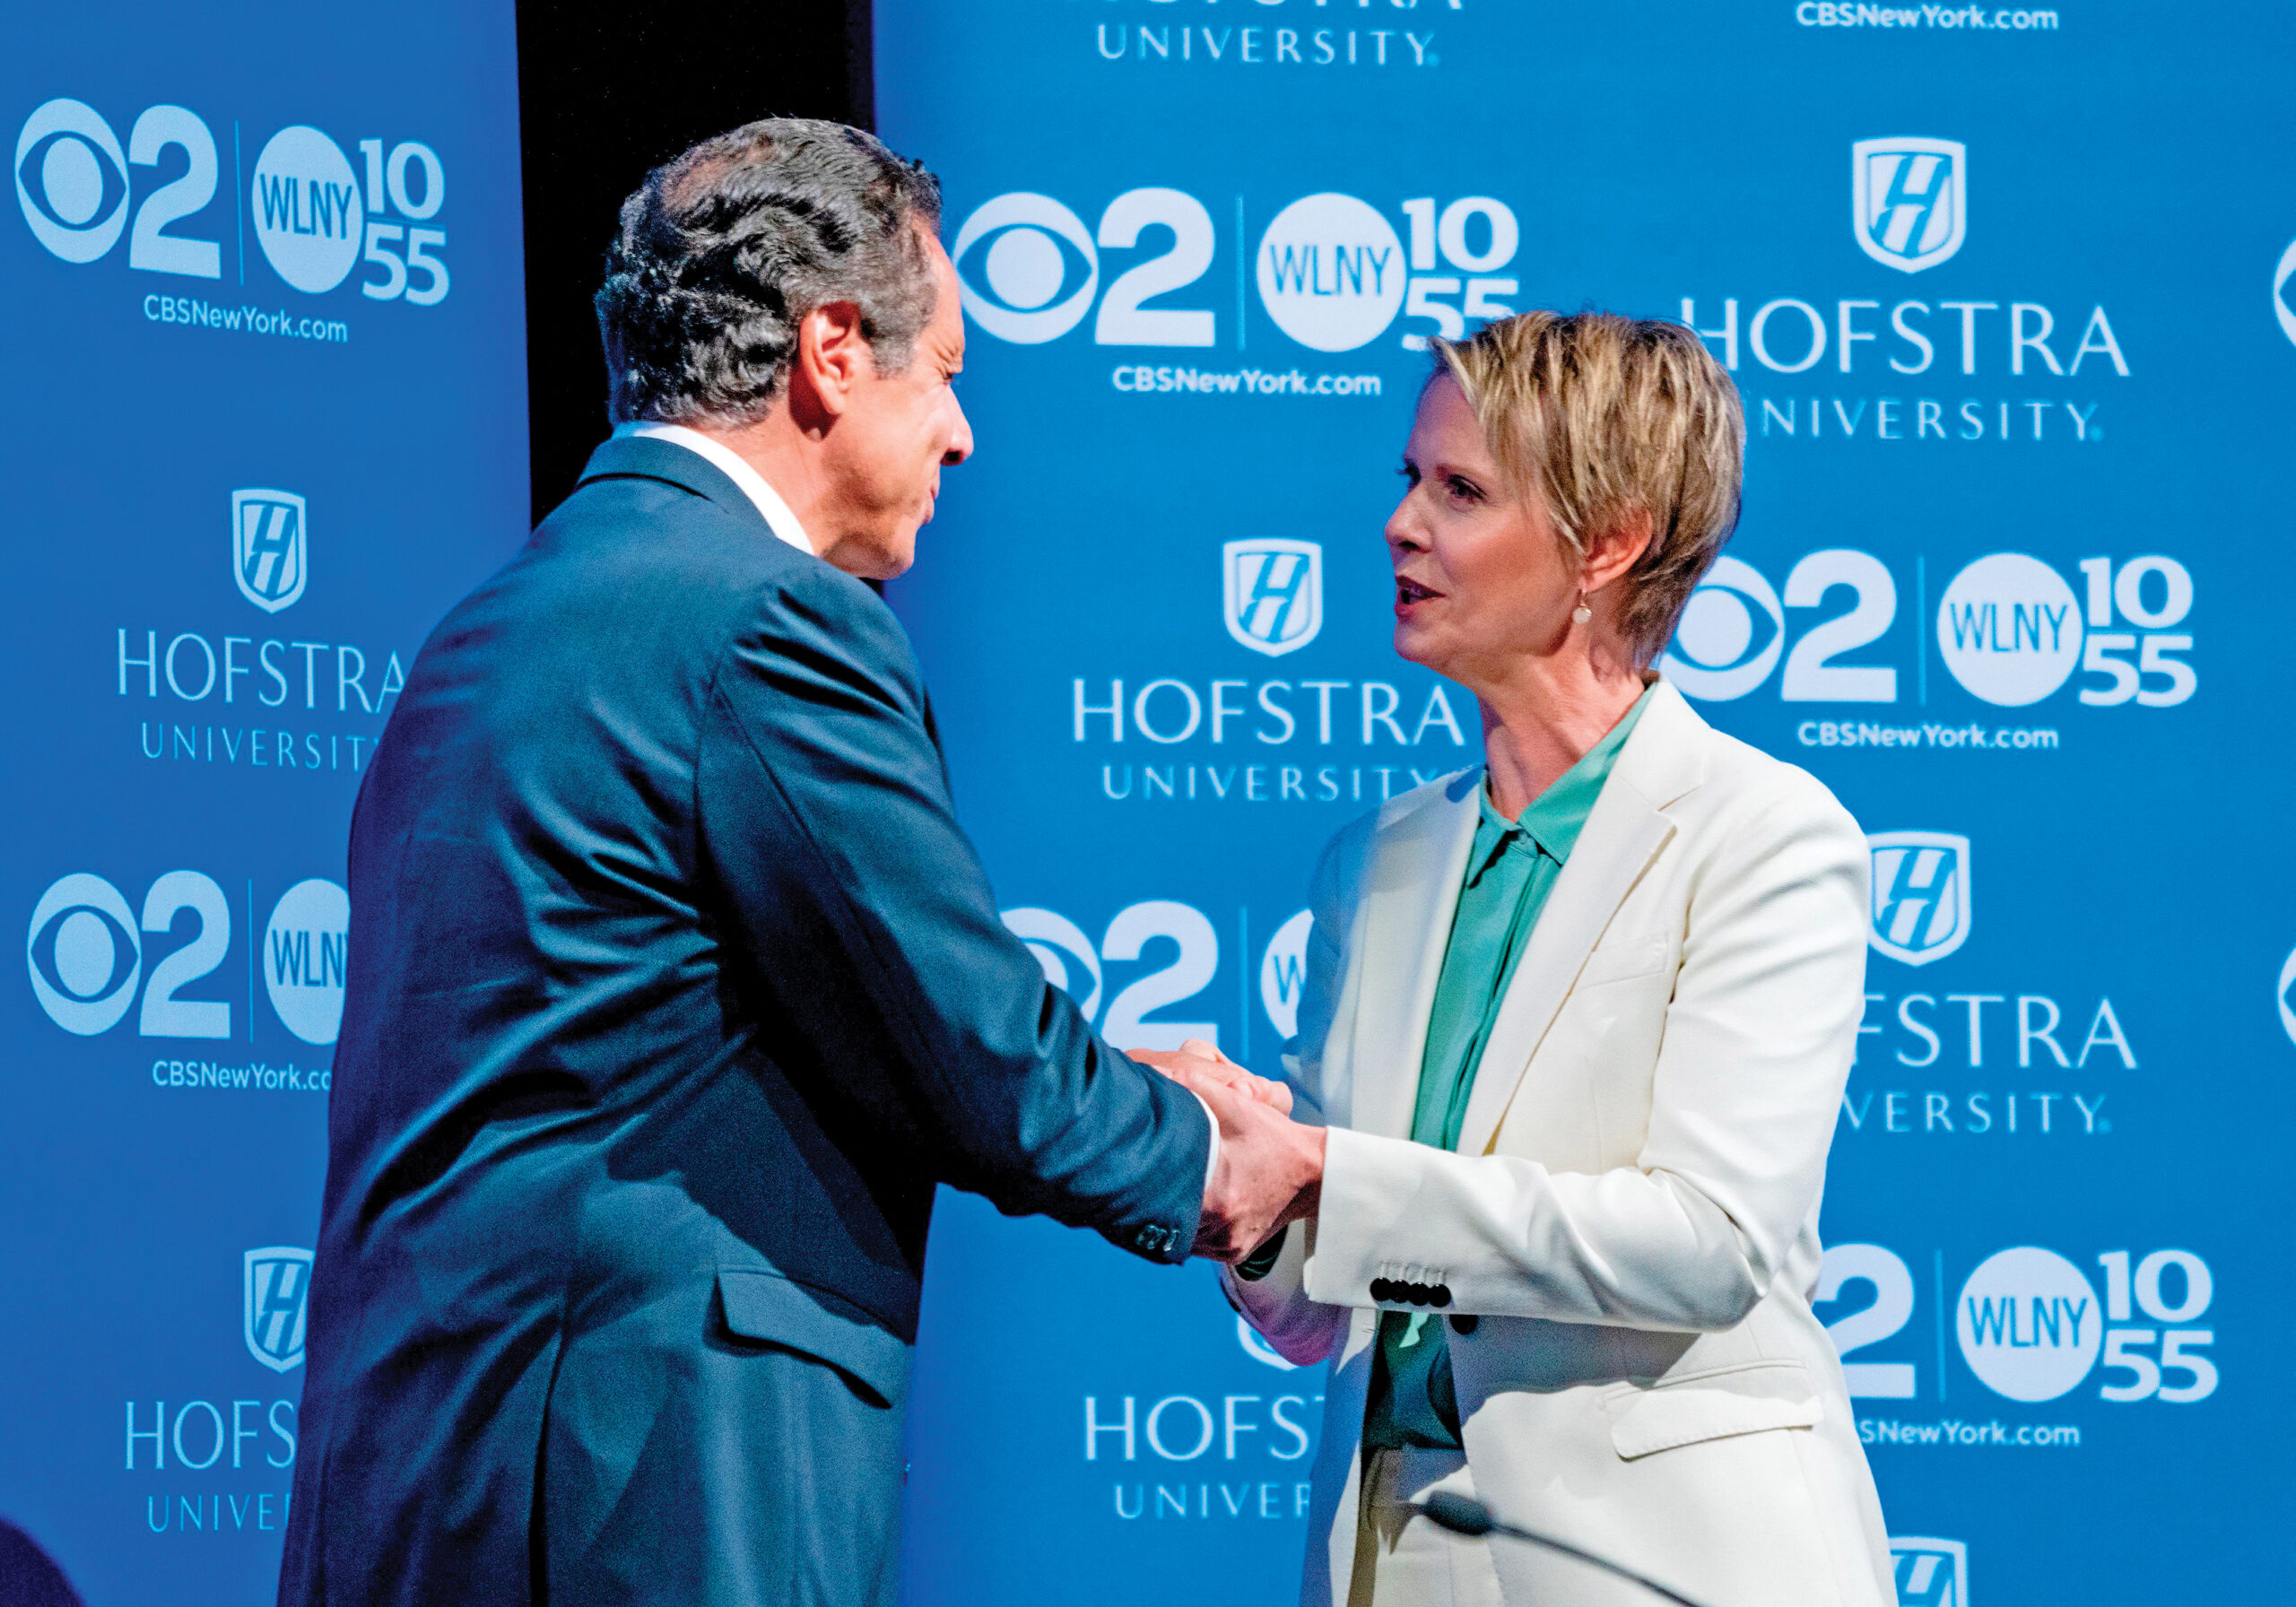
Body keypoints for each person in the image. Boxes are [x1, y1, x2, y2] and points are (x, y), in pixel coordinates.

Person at [275, 120, 1319, 1607]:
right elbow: (969, 1045)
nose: (963, 433)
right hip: (638, 1495)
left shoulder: (493, 627)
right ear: (833, 353)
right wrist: (1214, 1160)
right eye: (944, 371)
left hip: (429, 1490)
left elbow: (669, 1045)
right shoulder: (768, 620)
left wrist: (1115, 1075)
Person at [1222, 311, 1894, 1607]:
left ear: (1608, 543)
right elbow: (1319, 1311)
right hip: (1388, 1551)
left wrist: (1328, 1175)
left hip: (1659, 1561)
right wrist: (1239, 1192)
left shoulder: (1763, 835)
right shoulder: (1371, 864)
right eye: (1411, 480)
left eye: (1461, 491)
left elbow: (1707, 1243)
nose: (1401, 525)